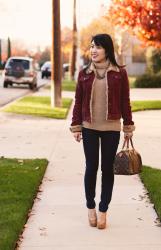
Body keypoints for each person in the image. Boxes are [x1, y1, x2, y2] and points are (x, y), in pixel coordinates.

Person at [70, 33, 135, 229]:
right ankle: (90, 206)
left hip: (111, 128)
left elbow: (125, 101)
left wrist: (128, 126)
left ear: (107, 49)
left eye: (97, 47)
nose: (93, 50)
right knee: (91, 167)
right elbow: (78, 101)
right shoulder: (84, 73)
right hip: (89, 127)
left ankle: (103, 209)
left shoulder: (119, 73)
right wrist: (76, 126)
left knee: (107, 169)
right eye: (91, 47)